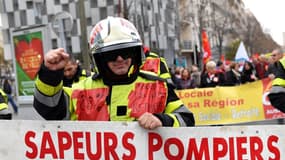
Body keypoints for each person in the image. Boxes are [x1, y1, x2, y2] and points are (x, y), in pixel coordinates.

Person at [33, 16, 195, 130]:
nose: (119, 59)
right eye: (111, 54)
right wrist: (50, 74)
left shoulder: (158, 87)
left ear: (135, 53)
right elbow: (49, 109)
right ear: (100, 58)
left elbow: (186, 119)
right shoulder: (81, 91)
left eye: (126, 52)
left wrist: (162, 120)